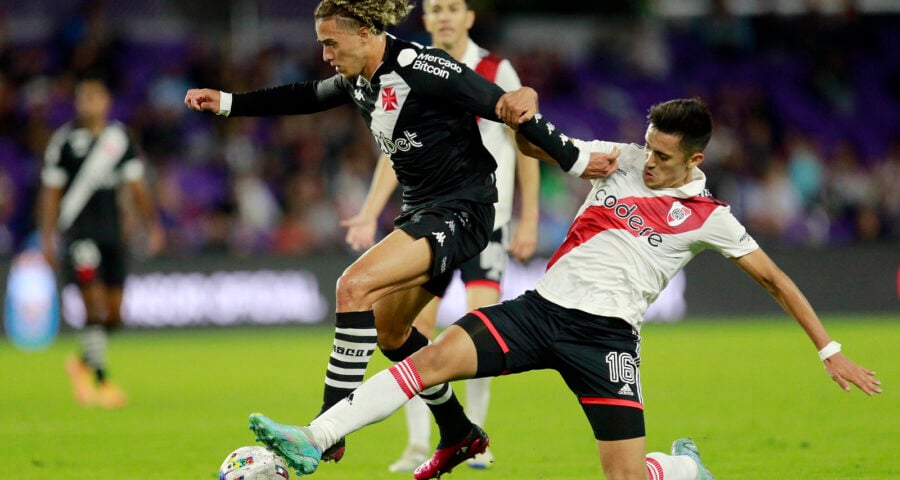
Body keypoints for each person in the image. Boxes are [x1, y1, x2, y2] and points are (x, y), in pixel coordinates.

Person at [246, 97, 882, 480]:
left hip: (606, 340)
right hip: (539, 311)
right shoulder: (623, 157)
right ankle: (315, 437)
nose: (648, 160)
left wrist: (830, 352)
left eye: (663, 156)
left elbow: (776, 279)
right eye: (648, 147)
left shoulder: (711, 216)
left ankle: (678, 467)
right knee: (429, 357)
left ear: (696, 162)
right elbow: (538, 144)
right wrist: (528, 122)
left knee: (627, 476)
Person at [184, 0, 611, 466]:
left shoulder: (421, 66)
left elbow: (506, 108)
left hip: (463, 210)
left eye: (331, 43)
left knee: (353, 285)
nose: (326, 54)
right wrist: (227, 102)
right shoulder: (359, 80)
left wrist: (577, 160)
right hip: (422, 212)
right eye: (322, 44)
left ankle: (325, 428)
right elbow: (305, 96)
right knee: (392, 333)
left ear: (365, 31)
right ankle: (459, 430)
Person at [339, 0, 540, 471]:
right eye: (436, 9)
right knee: (411, 332)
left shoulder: (495, 68)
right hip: (432, 222)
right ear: (425, 20)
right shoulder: (405, 68)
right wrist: (369, 212)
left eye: (454, 8)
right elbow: (394, 149)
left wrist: (528, 218)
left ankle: (478, 438)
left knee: (478, 324)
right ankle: (417, 441)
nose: (445, 16)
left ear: (469, 18)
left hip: (485, 223)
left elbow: (523, 143)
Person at [38, 74, 165, 409]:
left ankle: (81, 361)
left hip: (113, 235)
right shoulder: (65, 141)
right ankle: (101, 381)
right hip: (79, 233)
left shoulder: (119, 138)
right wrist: (47, 239)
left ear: (107, 102)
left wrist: (152, 225)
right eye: (84, 97)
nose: (90, 103)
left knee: (114, 316)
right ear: (77, 103)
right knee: (92, 306)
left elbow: (137, 186)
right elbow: (51, 193)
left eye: (96, 97)